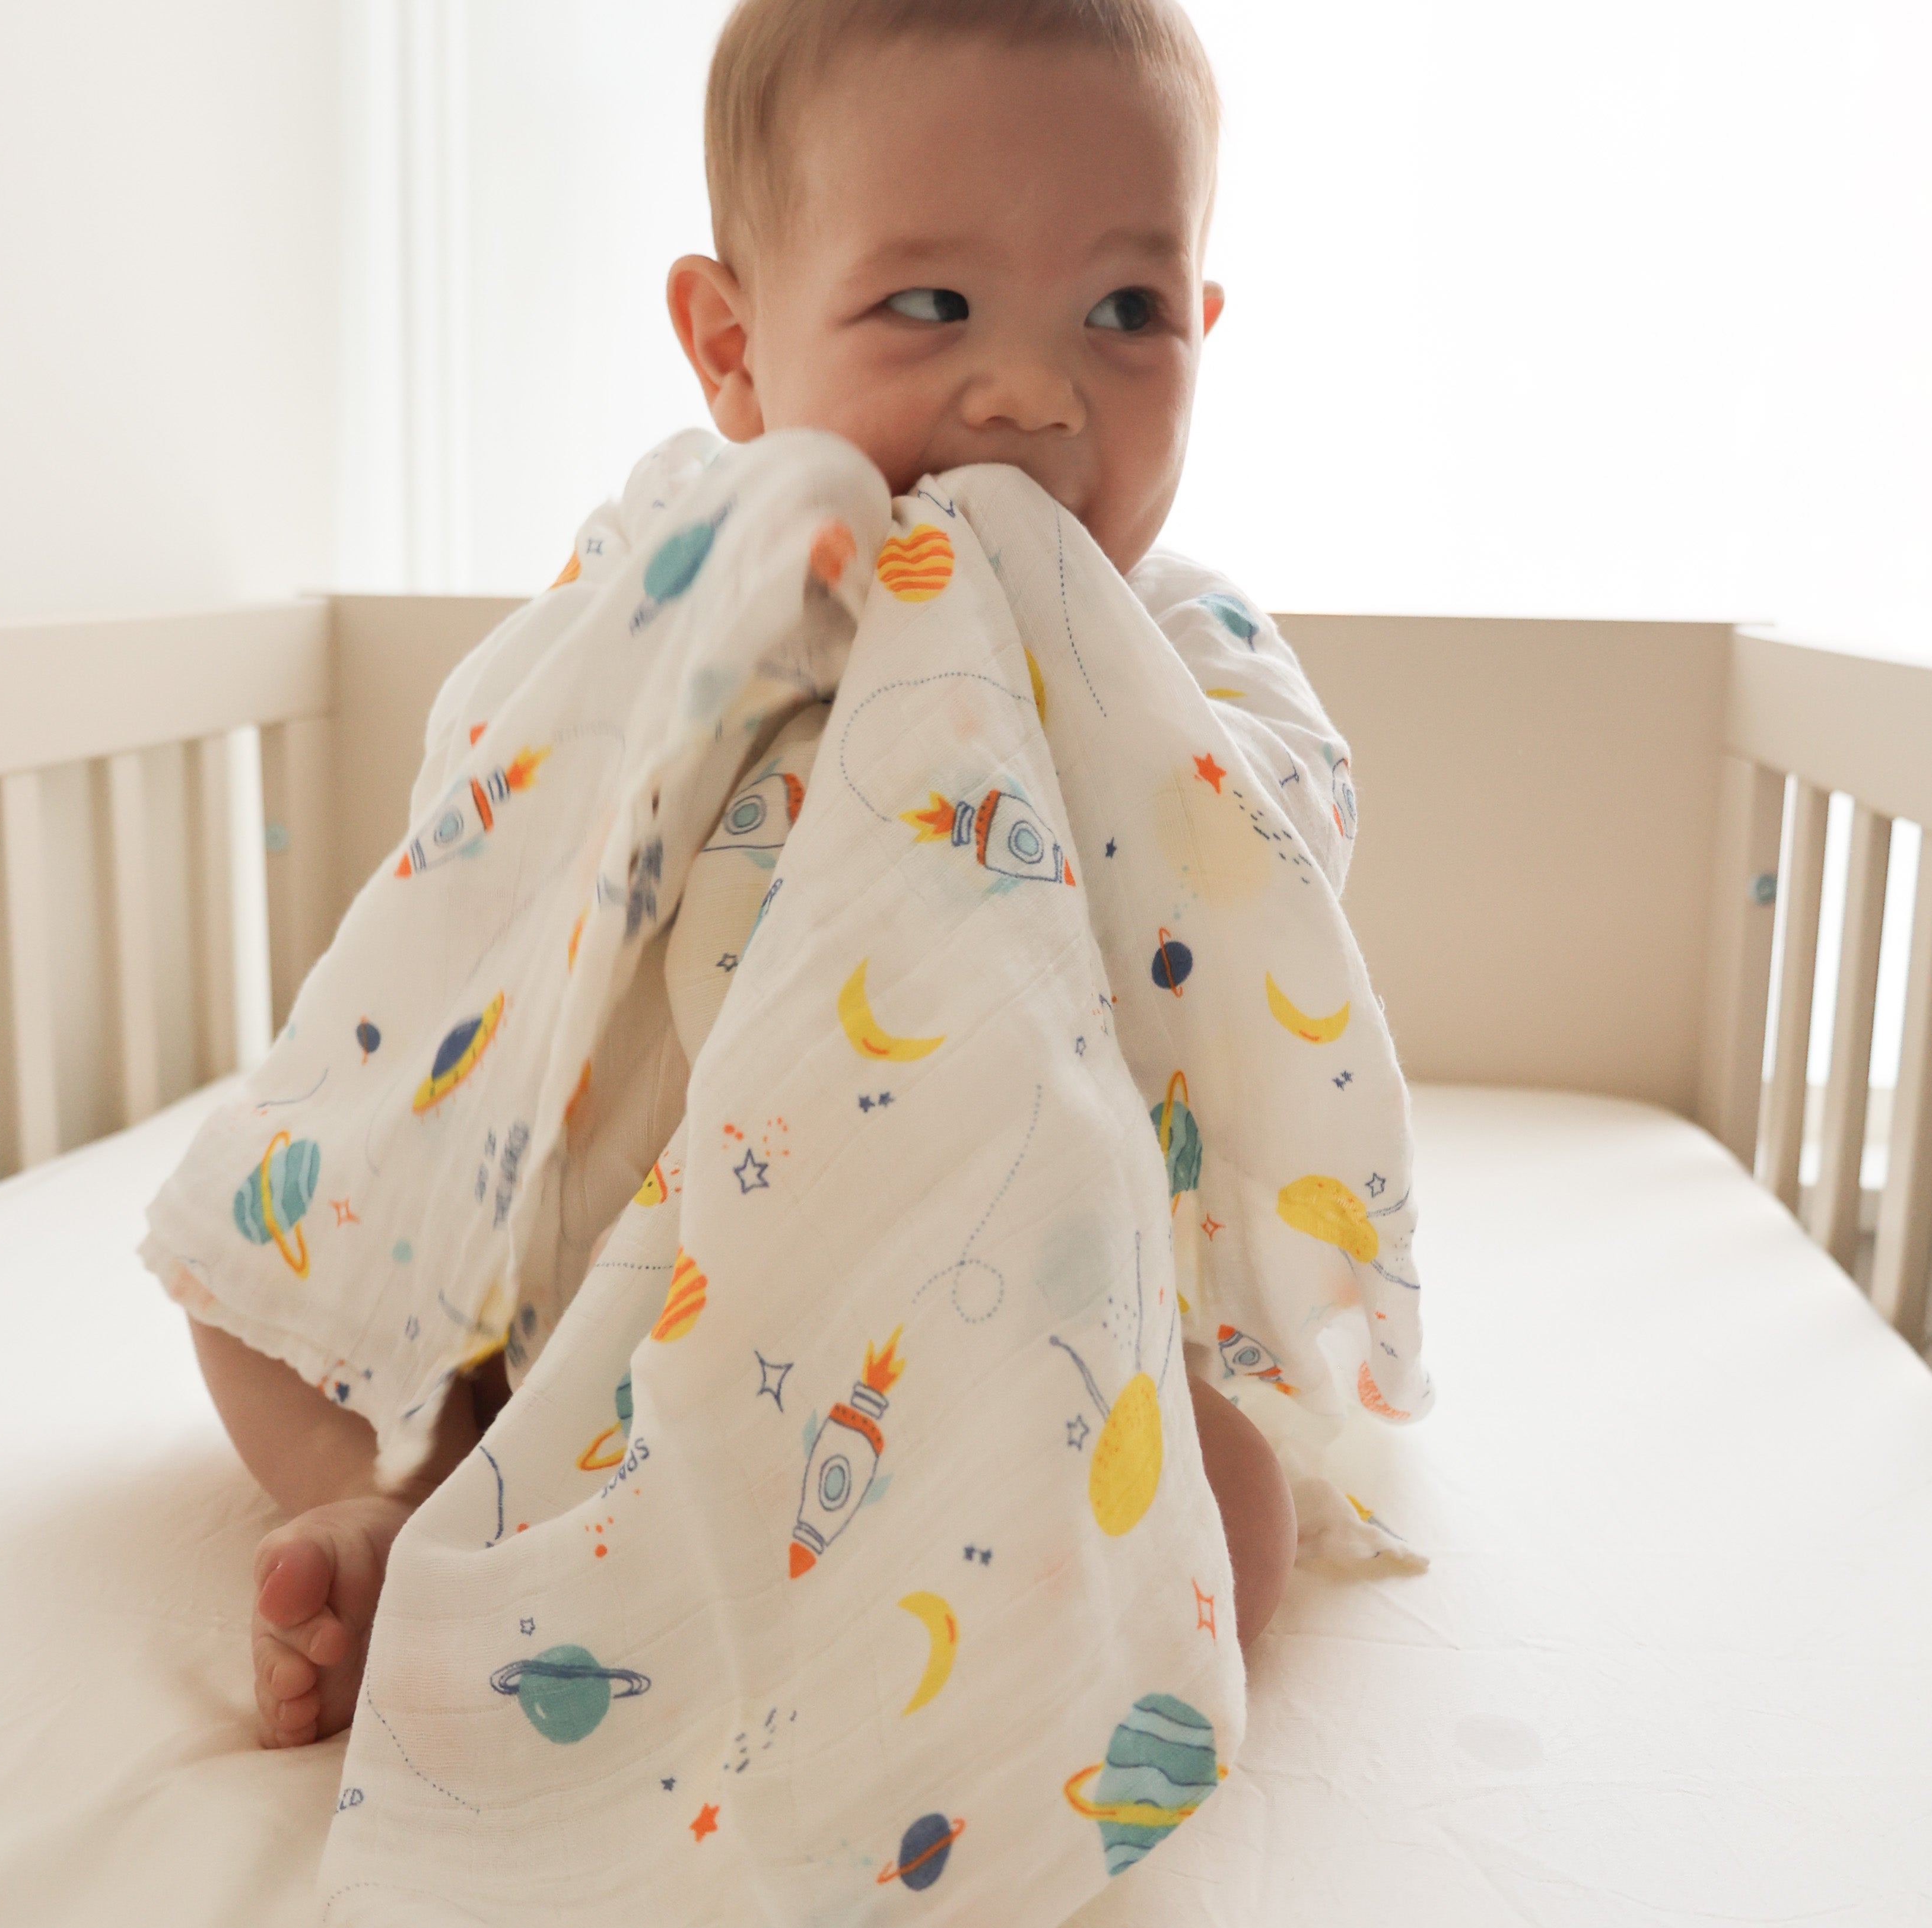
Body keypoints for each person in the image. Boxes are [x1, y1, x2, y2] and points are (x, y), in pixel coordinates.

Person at [196, 0, 1320, 1752]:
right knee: (253, 1273)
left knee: (1232, 1509)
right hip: (586, 1283)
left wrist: (1074, 729)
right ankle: (410, 1497)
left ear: (1204, 330)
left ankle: (960, 1691)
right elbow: (500, 804)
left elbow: (1281, 876)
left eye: (1125, 312)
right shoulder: (677, 574)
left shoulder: (1170, 645)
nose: (1033, 392)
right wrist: (736, 640)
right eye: (930, 304)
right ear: (734, 350)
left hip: (988, 1315)